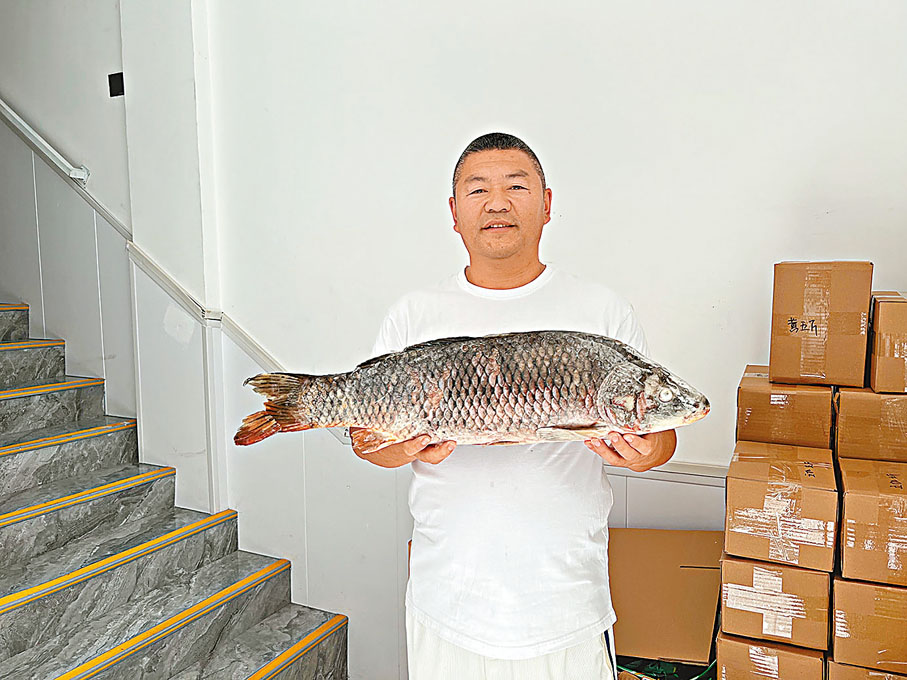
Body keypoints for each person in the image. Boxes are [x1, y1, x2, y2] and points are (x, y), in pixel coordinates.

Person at [352, 132, 677, 680]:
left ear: (546, 204)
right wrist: (394, 448)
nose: (497, 203)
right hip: (446, 598)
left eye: (516, 186)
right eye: (478, 189)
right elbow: (367, 443)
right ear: (455, 213)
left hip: (569, 602)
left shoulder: (600, 310)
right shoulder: (413, 314)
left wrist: (644, 454)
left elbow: (661, 437)